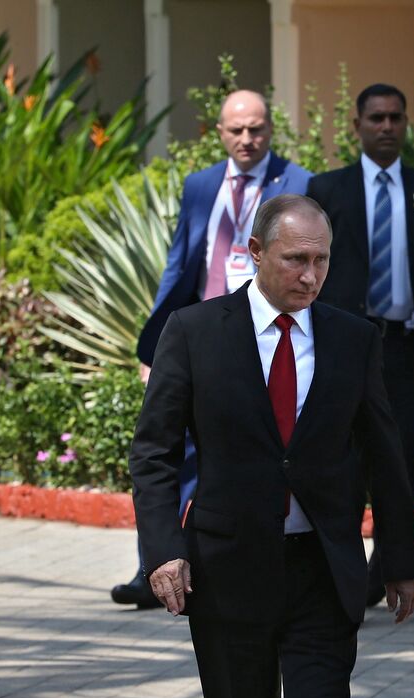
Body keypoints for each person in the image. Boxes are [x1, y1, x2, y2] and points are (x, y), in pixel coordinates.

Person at [129, 195, 414, 698]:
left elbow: (387, 456)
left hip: (321, 571)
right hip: (227, 569)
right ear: (255, 252)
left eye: (321, 259)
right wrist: (163, 548)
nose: (311, 274)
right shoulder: (195, 334)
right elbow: (154, 452)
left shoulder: (354, 339)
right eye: (295, 259)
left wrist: (398, 559)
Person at [112, 90, 312, 608]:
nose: (247, 139)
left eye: (257, 129)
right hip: (199, 337)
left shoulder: (299, 182)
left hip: (263, 340)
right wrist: (155, 344)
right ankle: (153, 566)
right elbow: (180, 266)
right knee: (170, 450)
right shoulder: (200, 185)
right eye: (236, 130)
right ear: (219, 132)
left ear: (271, 130)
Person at [306, 83, 414, 605]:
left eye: (395, 118)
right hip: (344, 348)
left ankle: (388, 567)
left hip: (406, 350)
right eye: (376, 118)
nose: (386, 127)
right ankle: (343, 566)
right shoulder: (328, 189)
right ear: (356, 126)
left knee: (398, 461)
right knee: (345, 457)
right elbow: (310, 269)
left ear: (406, 124)